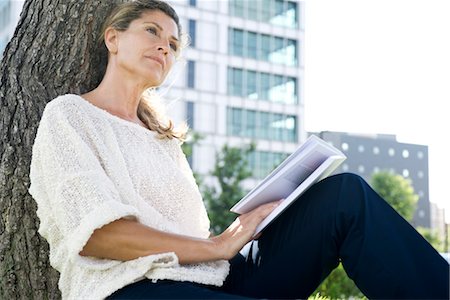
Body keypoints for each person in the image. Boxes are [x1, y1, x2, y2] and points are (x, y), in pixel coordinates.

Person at [28, 1, 449, 299]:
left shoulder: (163, 138)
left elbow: (193, 237)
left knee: (345, 195)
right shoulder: (70, 116)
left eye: (173, 45)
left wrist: (251, 227)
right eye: (153, 31)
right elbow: (97, 235)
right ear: (113, 38)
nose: (164, 47)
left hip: (217, 276)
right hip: (133, 288)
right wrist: (220, 245)